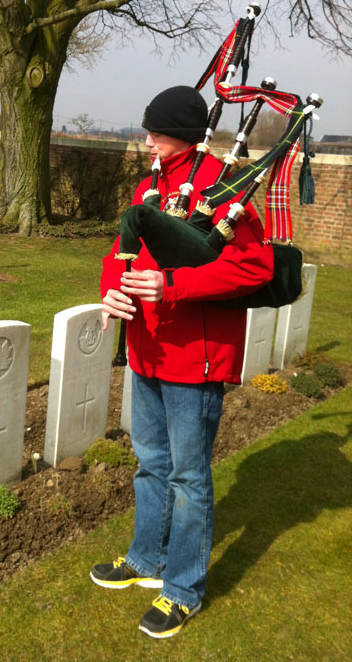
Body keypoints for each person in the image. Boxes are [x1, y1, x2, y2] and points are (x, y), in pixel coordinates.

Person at [91, 85, 274, 639]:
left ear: (184, 135)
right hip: (146, 349)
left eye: (154, 132)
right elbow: (121, 253)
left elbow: (255, 269)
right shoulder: (151, 185)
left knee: (189, 476)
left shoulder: (227, 187)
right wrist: (110, 292)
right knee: (149, 463)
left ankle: (183, 589)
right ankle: (147, 560)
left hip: (194, 360)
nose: (146, 141)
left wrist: (170, 284)